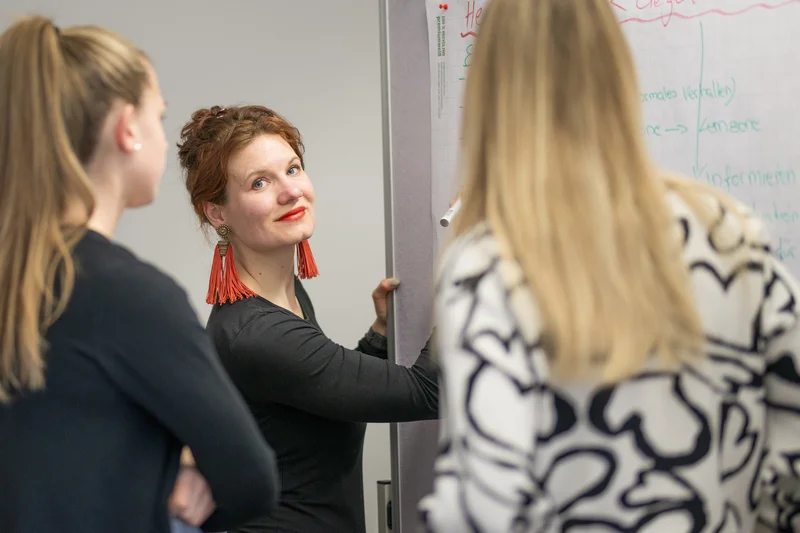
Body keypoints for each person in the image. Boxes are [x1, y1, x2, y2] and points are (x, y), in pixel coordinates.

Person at [418, 0, 800, 532]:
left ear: (489, 96)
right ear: (617, 71)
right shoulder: (728, 232)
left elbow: (485, 502)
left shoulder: (491, 265)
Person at [0, 16, 280, 533]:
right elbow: (252, 478)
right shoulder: (127, 296)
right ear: (128, 128)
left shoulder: (23, 278)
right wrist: (188, 466)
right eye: (159, 115)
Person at [177, 104, 439, 533]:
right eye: (259, 182)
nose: (289, 191)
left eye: (293, 169)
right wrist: (468, 268)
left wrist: (378, 337)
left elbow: (327, 403)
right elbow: (430, 392)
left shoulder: (285, 297)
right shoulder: (255, 334)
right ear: (217, 213)